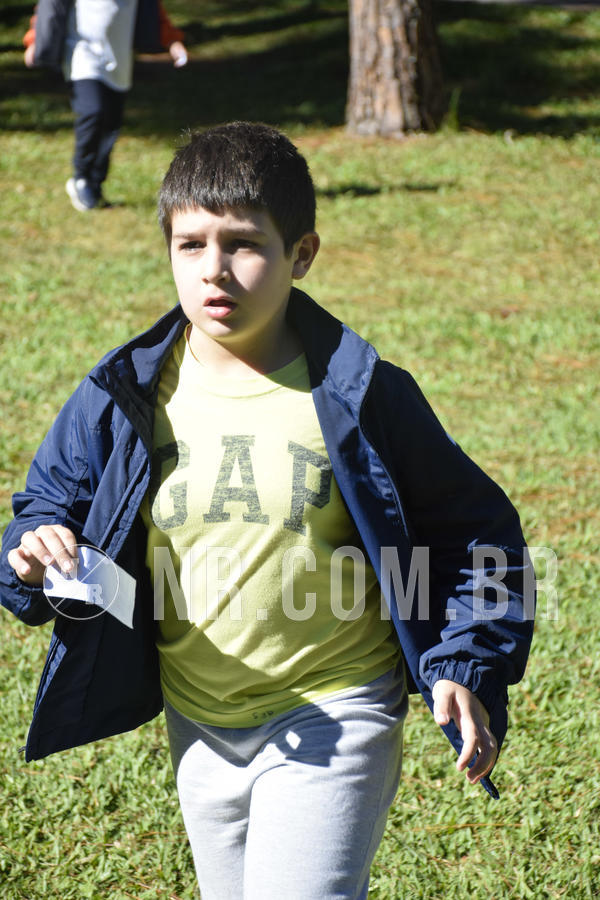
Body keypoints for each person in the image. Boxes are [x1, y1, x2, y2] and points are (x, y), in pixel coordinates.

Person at [0, 122, 535, 899]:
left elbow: (476, 530)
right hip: (199, 721)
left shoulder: (361, 394)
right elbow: (46, 505)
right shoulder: (123, 393)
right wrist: (32, 549)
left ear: (301, 254)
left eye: (244, 244)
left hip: (337, 707)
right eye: (190, 244)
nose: (214, 270)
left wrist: (464, 662)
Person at [23, 0, 187, 211]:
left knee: (111, 125)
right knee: (93, 112)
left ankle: (95, 184)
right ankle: (81, 177)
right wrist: (35, 40)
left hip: (118, 62)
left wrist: (173, 42)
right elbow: (50, 8)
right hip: (81, 56)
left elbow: (154, 12)